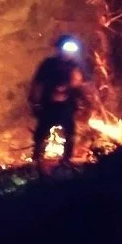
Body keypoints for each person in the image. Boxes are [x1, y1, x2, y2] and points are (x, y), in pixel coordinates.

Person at [28, 34, 87, 171]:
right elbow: (38, 83)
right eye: (66, 50)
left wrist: (84, 102)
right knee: (42, 132)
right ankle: (36, 160)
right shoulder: (49, 64)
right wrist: (35, 102)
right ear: (59, 49)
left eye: (71, 51)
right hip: (49, 105)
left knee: (70, 132)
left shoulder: (75, 67)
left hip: (67, 105)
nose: (68, 53)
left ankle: (67, 160)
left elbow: (81, 85)